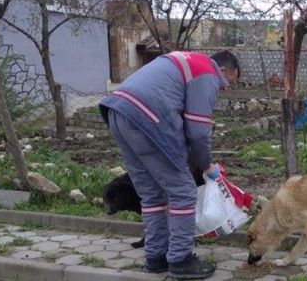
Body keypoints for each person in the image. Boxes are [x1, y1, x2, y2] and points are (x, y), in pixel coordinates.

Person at [99, 50, 240, 280]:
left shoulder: (186, 61)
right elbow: (197, 130)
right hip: (146, 116)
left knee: (152, 194)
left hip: (118, 111)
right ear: (222, 70)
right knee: (183, 192)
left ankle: (156, 257)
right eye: (227, 82)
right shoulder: (207, 71)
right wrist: (206, 165)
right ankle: (180, 260)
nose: (224, 89)